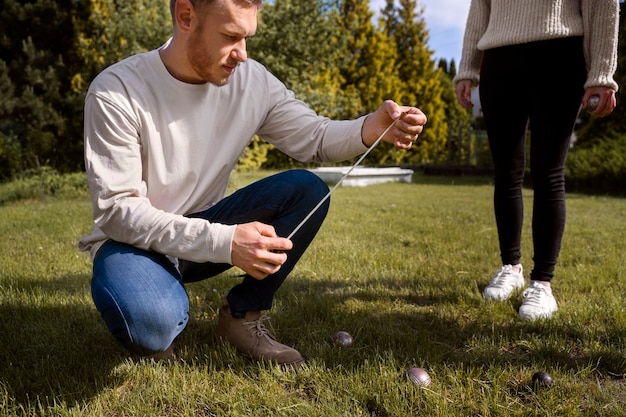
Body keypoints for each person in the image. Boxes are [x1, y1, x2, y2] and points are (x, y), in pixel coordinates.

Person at [78, 0, 427, 366]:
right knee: (150, 323)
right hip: (132, 245)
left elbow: (315, 137)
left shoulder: (251, 81)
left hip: (204, 225)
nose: (242, 54)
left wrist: (368, 127)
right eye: (230, 36)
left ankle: (242, 317)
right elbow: (118, 211)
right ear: (186, 16)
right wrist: (225, 242)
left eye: (247, 37)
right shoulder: (116, 90)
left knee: (307, 191)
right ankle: (157, 310)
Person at [454, 0, 619, 320]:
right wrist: (468, 66)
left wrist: (601, 70)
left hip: (559, 51)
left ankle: (542, 283)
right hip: (498, 56)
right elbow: (480, 6)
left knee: (549, 174)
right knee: (505, 172)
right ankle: (510, 267)